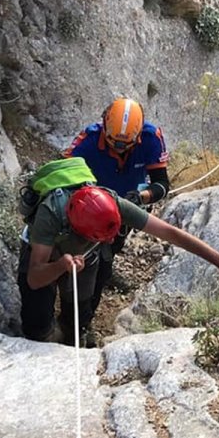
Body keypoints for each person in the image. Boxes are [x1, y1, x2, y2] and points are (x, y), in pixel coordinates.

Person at [18, 184, 219, 346]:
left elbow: (171, 233)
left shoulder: (113, 204)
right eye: (101, 237)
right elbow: (34, 277)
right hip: (46, 256)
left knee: (78, 316)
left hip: (85, 257)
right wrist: (60, 265)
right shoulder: (50, 216)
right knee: (35, 326)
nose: (111, 241)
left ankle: (72, 337)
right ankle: (46, 336)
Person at [63, 98, 171, 325]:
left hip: (125, 210)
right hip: (91, 210)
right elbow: (63, 173)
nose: (119, 149)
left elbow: (161, 184)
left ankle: (86, 311)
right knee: (88, 261)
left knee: (109, 254)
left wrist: (142, 197)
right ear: (104, 124)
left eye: (126, 145)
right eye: (113, 143)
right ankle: (76, 317)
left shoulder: (151, 138)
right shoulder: (89, 140)